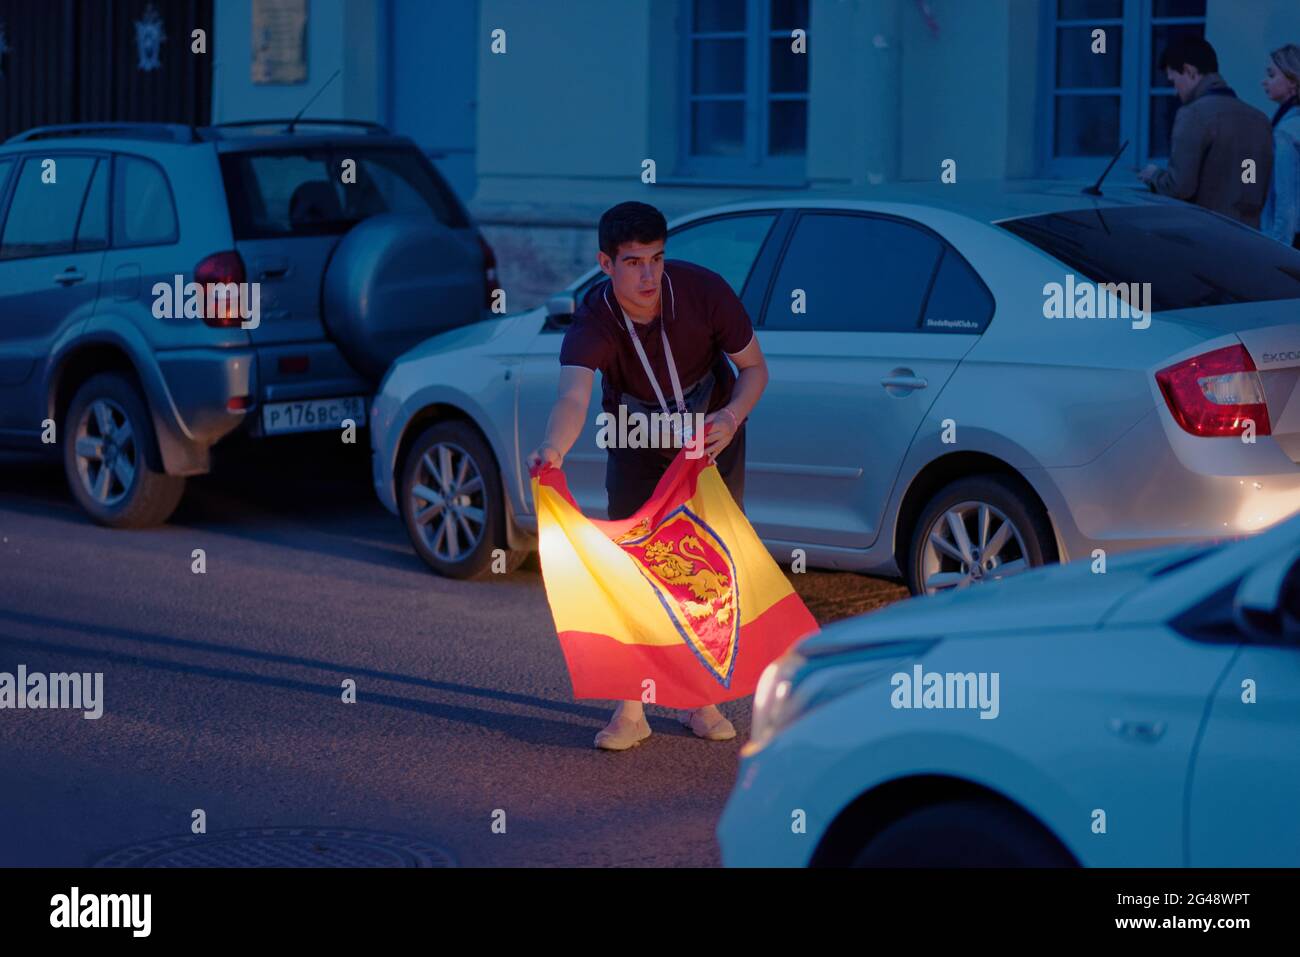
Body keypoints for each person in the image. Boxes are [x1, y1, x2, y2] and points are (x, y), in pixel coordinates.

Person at [526, 201, 770, 751]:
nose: (648, 276)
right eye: (633, 262)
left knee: (703, 569)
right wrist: (552, 447)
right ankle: (630, 709)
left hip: (711, 434)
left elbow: (755, 369)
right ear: (605, 263)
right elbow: (572, 395)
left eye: (657, 259)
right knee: (636, 568)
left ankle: (696, 698)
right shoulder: (594, 319)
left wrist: (730, 418)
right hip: (636, 440)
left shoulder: (705, 292)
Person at [1138, 36, 1274, 228]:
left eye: (1173, 81)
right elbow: (1254, 186)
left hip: (1207, 236)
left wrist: (1154, 176)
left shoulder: (1193, 114)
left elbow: (1179, 187)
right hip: (1250, 238)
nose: (1174, 92)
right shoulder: (1260, 119)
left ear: (1189, 71)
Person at [1261, 44, 1300, 247]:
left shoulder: (1286, 131)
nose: (1264, 82)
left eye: (1271, 75)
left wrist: (1277, 247)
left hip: (1290, 241)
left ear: (1292, 81)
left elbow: (1286, 200)